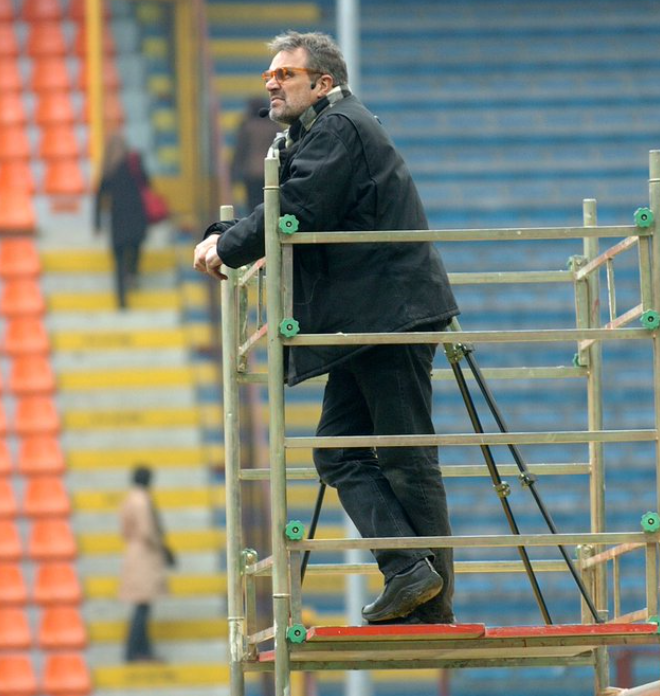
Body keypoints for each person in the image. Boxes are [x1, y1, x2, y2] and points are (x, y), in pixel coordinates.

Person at [193, 31, 460, 624]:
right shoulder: (316, 132)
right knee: (340, 451)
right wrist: (226, 236)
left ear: (323, 82)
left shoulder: (339, 127)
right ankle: (409, 571)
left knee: (405, 455)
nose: (271, 81)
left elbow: (299, 206)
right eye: (270, 74)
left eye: (286, 73)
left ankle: (433, 601)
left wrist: (227, 248)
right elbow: (284, 199)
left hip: (388, 317)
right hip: (369, 320)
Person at [118, 465, 175, 661]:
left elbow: (125, 530)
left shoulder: (129, 499)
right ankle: (137, 651)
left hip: (135, 551)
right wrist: (163, 547)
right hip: (145, 555)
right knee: (143, 607)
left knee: (142, 606)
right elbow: (147, 531)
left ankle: (139, 649)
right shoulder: (142, 501)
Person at [94, 134, 151, 309]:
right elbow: (147, 183)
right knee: (134, 247)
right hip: (135, 215)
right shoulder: (132, 163)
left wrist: (97, 223)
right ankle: (132, 275)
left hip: (119, 218)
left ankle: (122, 300)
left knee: (119, 259)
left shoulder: (109, 168)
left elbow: (99, 197)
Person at [230, 96, 282, 212]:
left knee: (253, 204)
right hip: (271, 172)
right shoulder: (274, 127)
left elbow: (240, 151)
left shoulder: (247, 127)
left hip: (251, 172)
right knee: (270, 203)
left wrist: (233, 171)